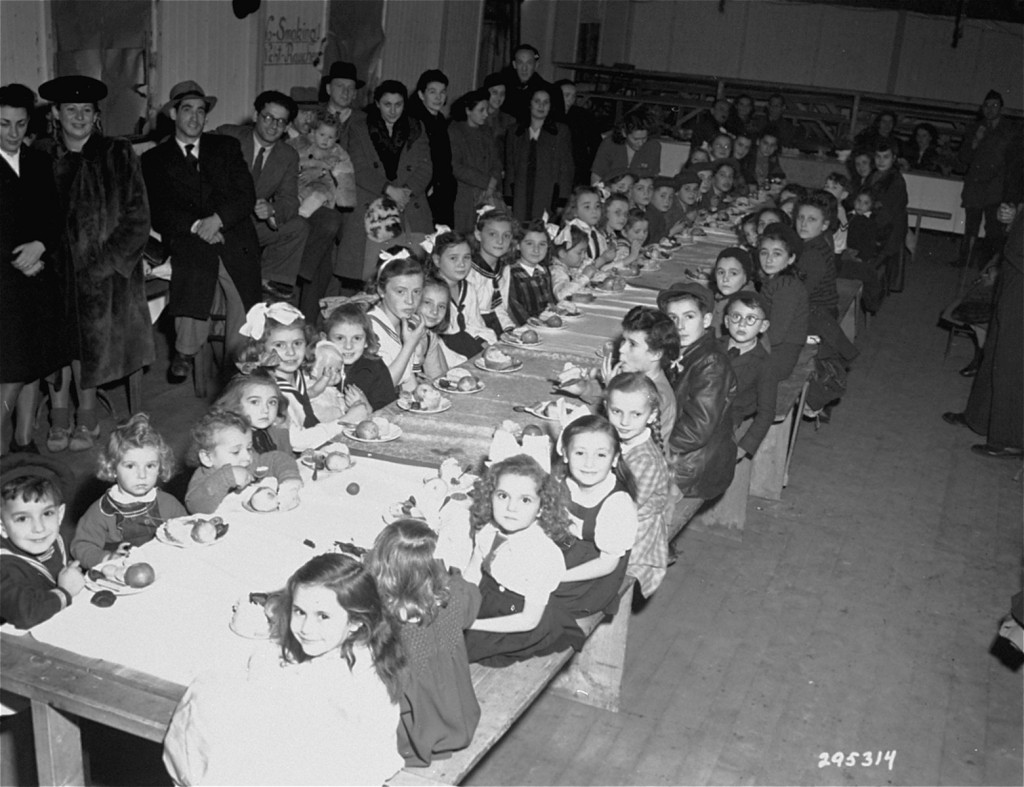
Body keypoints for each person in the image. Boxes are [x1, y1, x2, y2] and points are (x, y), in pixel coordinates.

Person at [163, 553, 406, 786]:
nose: (306, 628)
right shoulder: (357, 647)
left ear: (354, 621)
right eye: (299, 612)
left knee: (207, 692)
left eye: (323, 616)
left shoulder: (346, 682)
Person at [37, 75, 153, 451]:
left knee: (86, 340)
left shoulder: (116, 154)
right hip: (50, 271)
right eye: (71, 110)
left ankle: (86, 417)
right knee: (56, 338)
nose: (79, 117)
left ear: (96, 115)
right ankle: (58, 417)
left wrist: (102, 266)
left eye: (86, 110)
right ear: (55, 113)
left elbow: (137, 219)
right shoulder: (41, 155)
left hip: (105, 276)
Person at [141, 80, 261, 384]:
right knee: (194, 270)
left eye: (200, 111)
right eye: (187, 110)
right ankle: (185, 350)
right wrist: (197, 225)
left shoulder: (226, 147)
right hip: (188, 235)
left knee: (241, 290)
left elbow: (245, 194)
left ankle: (238, 362)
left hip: (231, 230)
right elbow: (158, 209)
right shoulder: (154, 159)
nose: (194, 118)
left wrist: (217, 220)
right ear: (173, 115)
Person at [368, 518, 481, 767]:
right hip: (459, 714)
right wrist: (452, 575)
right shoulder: (454, 598)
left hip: (419, 727)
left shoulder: (385, 619)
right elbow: (473, 594)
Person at [0, 83, 69, 455]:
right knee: (10, 372)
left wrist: (41, 244)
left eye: (20, 124)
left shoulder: (39, 162)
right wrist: (16, 260)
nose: (13, 134)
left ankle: (24, 442)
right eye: (3, 124)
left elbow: (54, 217)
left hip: (39, 277)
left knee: (34, 365)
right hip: (4, 284)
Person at [463, 454, 583, 666]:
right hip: (489, 596)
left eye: (525, 500)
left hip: (518, 616)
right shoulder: (489, 530)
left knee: (454, 651)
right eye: (502, 496)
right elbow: (472, 573)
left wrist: (473, 623)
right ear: (490, 496)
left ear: (542, 507)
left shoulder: (543, 556)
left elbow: (528, 620)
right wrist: (458, 604)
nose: (511, 508)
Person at [943, 207, 1022, 457]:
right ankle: (980, 417)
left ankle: (1010, 438)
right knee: (995, 350)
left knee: (1012, 358)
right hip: (1014, 269)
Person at [657, 282, 738, 520]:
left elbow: (696, 429)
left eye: (689, 316)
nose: (679, 326)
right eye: (672, 317)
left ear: (706, 320)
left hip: (694, 464)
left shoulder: (711, 363)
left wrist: (653, 448)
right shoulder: (680, 351)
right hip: (686, 453)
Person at [237, 302, 365, 451]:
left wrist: (347, 405)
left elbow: (312, 398)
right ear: (260, 350)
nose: (291, 352)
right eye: (279, 345)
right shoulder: (268, 393)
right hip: (281, 461)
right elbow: (296, 441)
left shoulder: (299, 376)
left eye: (297, 343)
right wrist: (345, 421)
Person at [338, 80, 433, 281]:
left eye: (398, 104)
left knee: (410, 273)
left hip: (409, 203)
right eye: (387, 104)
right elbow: (359, 167)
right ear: (377, 103)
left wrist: (405, 192)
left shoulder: (416, 127)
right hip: (372, 200)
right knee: (372, 274)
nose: (393, 110)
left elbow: (425, 168)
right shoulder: (359, 128)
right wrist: (389, 190)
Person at [217, 90, 308, 300]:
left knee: (299, 227)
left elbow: (290, 200)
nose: (273, 125)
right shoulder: (228, 135)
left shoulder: (288, 155)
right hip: (220, 222)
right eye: (268, 117)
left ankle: (268, 284)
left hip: (252, 226)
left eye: (281, 121)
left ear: (287, 127)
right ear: (255, 115)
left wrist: (272, 209)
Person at [70, 413, 185, 568]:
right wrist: (106, 558)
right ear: (112, 468)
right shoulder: (101, 512)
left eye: (150, 466)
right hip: (120, 574)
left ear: (161, 466)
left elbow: (185, 529)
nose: (142, 475)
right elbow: (81, 546)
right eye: (130, 466)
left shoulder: (168, 503)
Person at [553, 415, 640, 618]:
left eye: (600, 455)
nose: (589, 463)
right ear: (565, 454)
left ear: (615, 459)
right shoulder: (563, 482)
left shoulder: (617, 504)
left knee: (528, 597)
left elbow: (608, 564)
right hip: (565, 551)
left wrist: (558, 577)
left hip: (594, 575)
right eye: (580, 453)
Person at [604, 372, 673, 599]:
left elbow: (623, 512)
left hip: (636, 541)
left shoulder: (645, 461)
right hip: (619, 520)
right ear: (606, 407)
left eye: (635, 414)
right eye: (617, 412)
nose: (624, 422)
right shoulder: (622, 441)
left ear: (652, 415)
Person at [0, 455, 84, 629]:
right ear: (1, 526)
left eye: (47, 514)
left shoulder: (57, 539)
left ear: (59, 514)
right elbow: (25, 613)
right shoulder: (4, 567)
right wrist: (65, 591)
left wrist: (106, 561)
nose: (39, 528)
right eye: (22, 518)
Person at [184, 407, 302, 514]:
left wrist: (290, 481)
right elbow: (196, 507)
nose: (247, 457)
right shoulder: (202, 480)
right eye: (236, 451)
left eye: (249, 448)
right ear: (207, 458)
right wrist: (226, 477)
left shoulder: (250, 462)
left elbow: (278, 458)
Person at [956, 90, 1019, 268]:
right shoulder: (975, 128)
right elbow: (964, 157)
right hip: (975, 186)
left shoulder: (1010, 131)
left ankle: (989, 263)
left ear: (1001, 108)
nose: (990, 109)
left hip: (996, 187)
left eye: (995, 106)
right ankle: (965, 260)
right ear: (982, 108)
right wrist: (976, 141)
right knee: (971, 227)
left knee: (993, 228)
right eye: (987, 106)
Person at [504, 84, 574, 223]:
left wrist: (561, 201)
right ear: (529, 104)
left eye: (545, 102)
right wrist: (509, 199)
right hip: (520, 196)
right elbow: (510, 166)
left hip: (548, 196)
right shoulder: (515, 131)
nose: (541, 106)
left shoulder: (561, 131)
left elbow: (566, 169)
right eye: (537, 101)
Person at [720, 291, 776, 460]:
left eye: (751, 319)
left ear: (763, 326)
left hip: (730, 423)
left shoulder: (764, 364)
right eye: (736, 316)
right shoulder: (712, 346)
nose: (742, 324)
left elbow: (767, 412)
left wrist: (744, 448)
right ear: (726, 321)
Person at [426, 230, 494, 362]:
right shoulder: (429, 292)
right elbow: (431, 337)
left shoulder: (469, 288)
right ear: (437, 260)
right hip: (442, 351)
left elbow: (476, 325)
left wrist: (484, 342)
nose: (462, 264)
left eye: (466, 257)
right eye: (453, 258)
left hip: (468, 343)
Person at [366, 249, 429, 392]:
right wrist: (410, 345)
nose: (410, 301)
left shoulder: (408, 323)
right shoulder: (369, 328)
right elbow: (382, 387)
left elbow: (408, 381)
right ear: (381, 290)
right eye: (400, 292)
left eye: (416, 292)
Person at [321, 302, 399, 412]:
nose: (348, 346)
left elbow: (388, 411)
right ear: (326, 339)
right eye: (340, 338)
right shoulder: (318, 364)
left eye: (356, 338)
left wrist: (366, 406)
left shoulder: (375, 368)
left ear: (366, 341)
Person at [757, 223, 809, 382]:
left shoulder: (786, 287)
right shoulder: (775, 281)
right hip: (770, 348)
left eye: (777, 254)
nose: (769, 259)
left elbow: (776, 336)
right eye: (764, 253)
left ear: (791, 258)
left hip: (778, 357)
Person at [447, 88, 501, 233]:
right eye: (481, 110)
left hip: (488, 194)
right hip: (464, 196)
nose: (486, 114)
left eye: (486, 109)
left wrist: (493, 182)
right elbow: (455, 166)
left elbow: (496, 160)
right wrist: (485, 182)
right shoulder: (454, 131)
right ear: (468, 111)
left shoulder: (487, 131)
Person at [407, 69, 455, 227]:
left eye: (442, 92)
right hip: (424, 188)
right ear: (421, 94)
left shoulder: (440, 119)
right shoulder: (414, 121)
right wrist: (428, 185)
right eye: (432, 92)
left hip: (441, 188)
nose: (438, 97)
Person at [287, 110, 356, 218]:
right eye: (322, 134)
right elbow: (290, 160)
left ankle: (305, 210)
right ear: (314, 132)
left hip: (323, 187)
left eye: (330, 137)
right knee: (295, 195)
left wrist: (346, 200)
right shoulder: (302, 143)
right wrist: (312, 164)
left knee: (320, 194)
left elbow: (346, 173)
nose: (325, 140)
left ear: (336, 138)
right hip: (299, 184)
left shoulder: (337, 152)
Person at [213, 371, 294, 455]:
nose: (266, 410)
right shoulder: (228, 442)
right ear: (235, 404)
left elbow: (289, 461)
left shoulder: (280, 434)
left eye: (272, 402)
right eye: (255, 402)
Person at [865, 140, 908, 289]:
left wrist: (868, 224)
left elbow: (889, 211)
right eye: (878, 156)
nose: (881, 161)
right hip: (877, 224)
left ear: (894, 158)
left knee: (876, 268)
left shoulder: (896, 181)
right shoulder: (874, 175)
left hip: (887, 230)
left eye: (886, 157)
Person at [469, 207, 517, 335]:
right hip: (473, 330)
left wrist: (508, 328)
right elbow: (468, 318)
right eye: (492, 234)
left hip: (494, 325)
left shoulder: (504, 269)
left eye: (506, 236)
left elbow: (499, 307)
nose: (500, 241)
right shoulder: (469, 271)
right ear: (478, 234)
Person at [504, 219, 556, 325]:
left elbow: (550, 300)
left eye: (542, 244)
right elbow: (513, 306)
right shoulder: (511, 273)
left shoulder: (544, 271)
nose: (536, 249)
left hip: (546, 324)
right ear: (518, 245)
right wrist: (528, 322)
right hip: (525, 327)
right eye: (529, 243)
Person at [502, 44, 564, 126]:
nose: (524, 68)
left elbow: (557, 125)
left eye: (529, 63)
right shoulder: (504, 89)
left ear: (536, 65)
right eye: (520, 62)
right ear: (514, 64)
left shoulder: (552, 91)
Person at [590, 112, 661, 184]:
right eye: (635, 139)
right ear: (624, 133)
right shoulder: (609, 144)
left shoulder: (653, 147)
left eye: (644, 138)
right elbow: (597, 175)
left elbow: (652, 177)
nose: (640, 143)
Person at [555, 79, 601, 186]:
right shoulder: (546, 116)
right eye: (566, 95)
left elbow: (596, 145)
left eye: (573, 96)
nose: (570, 100)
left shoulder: (583, 116)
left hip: (578, 172)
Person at [318, 60, 366, 149]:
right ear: (328, 89)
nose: (345, 92)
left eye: (350, 88)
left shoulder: (365, 121)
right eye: (340, 86)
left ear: (355, 93)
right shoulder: (315, 116)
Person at [711, 247, 756, 335]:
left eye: (733, 273)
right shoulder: (721, 298)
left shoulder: (745, 308)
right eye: (721, 272)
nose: (725, 279)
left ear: (745, 277)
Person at [481, 72, 516, 144]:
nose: (499, 97)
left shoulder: (510, 121)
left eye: (502, 94)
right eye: (495, 92)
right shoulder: (476, 116)